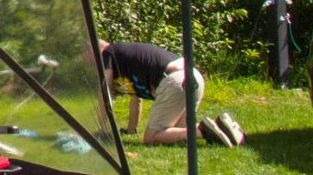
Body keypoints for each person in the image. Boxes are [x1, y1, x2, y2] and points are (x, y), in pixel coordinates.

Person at [98, 39, 233, 145]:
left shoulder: (107, 53)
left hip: (174, 79)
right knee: (177, 133)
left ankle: (202, 131)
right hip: (193, 76)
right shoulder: (123, 58)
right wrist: (131, 129)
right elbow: (136, 97)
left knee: (152, 138)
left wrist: (101, 131)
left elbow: (105, 93)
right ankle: (223, 127)